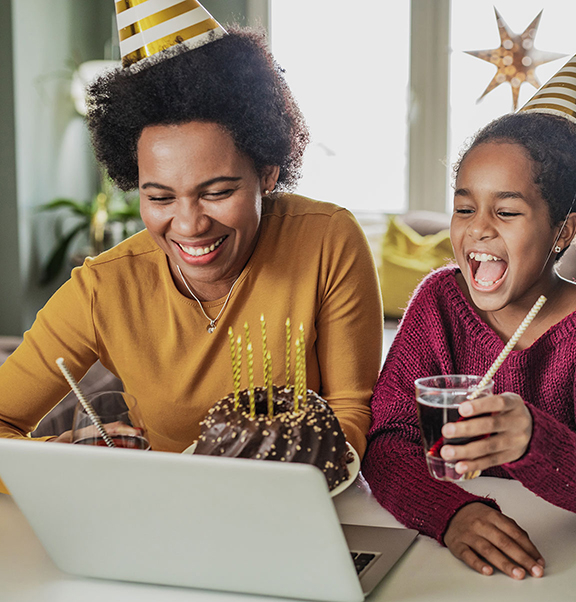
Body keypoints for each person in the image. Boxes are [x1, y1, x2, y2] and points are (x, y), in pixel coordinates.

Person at [0, 20, 381, 479]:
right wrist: (64, 463)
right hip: (161, 517)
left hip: (301, 503)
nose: (189, 225)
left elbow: (350, 411)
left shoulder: (328, 240)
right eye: (160, 198)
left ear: (267, 172)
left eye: (217, 192)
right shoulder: (103, 288)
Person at [362, 51, 576, 581]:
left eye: (508, 211)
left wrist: (532, 440)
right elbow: (386, 444)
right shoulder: (438, 303)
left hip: (572, 568)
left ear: (562, 231)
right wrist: (450, 512)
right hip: (450, 565)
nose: (478, 229)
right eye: (465, 207)